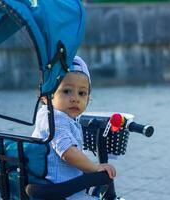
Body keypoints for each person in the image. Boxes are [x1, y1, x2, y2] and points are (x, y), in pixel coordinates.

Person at [32, 56, 116, 200]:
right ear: (46, 96)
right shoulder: (54, 118)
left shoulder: (53, 116)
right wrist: (95, 167)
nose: (75, 98)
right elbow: (67, 152)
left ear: (88, 99)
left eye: (81, 93)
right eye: (66, 91)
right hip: (62, 192)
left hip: (61, 187)